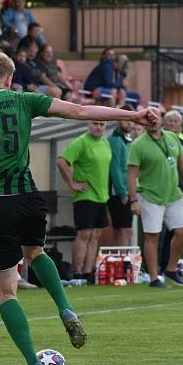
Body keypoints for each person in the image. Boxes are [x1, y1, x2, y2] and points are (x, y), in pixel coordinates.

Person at [0, 51, 159, 365]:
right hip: (28, 195)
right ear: (9, 77)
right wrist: (134, 114)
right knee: (35, 251)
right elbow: (80, 111)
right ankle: (65, 308)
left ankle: (34, 363)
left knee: (6, 291)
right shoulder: (23, 100)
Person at [127, 112, 183, 288]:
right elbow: (132, 174)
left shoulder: (172, 137)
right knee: (152, 236)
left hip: (173, 194)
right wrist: (133, 199)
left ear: (161, 120)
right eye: (148, 119)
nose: (152, 122)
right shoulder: (138, 144)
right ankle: (154, 278)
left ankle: (171, 269)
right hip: (150, 195)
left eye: (154, 118)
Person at [57, 120, 112, 282]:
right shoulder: (81, 141)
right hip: (85, 196)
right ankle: (77, 273)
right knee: (84, 234)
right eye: (95, 123)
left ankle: (87, 274)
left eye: (102, 124)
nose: (98, 127)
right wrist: (72, 183)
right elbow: (62, 161)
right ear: (88, 125)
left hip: (102, 196)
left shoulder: (105, 143)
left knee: (95, 235)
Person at [107, 110, 135, 246]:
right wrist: (122, 192)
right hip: (118, 192)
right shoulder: (115, 140)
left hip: (127, 190)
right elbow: (115, 168)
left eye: (131, 120)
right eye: (125, 120)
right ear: (118, 121)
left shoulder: (128, 139)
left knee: (122, 230)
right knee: (125, 230)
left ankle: (118, 262)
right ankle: (123, 265)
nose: (128, 123)